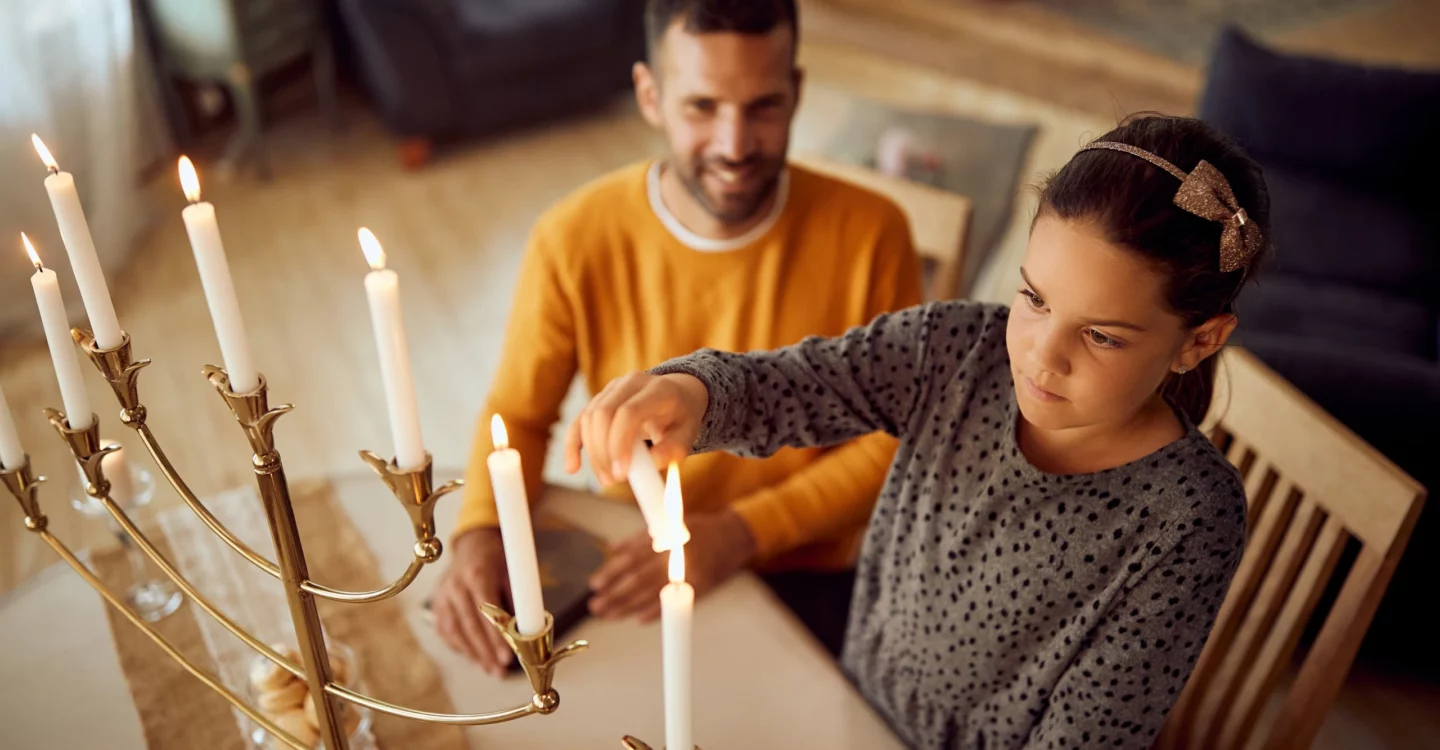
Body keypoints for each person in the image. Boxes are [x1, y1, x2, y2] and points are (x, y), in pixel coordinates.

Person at [565, 114, 1270, 749]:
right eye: (1032, 297)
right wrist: (690, 391)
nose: (1039, 355)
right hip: (846, 704)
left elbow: (1090, 733)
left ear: (1199, 342)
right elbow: (796, 385)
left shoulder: (1189, 516)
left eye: (1103, 337)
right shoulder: (955, 348)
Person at [432, 0, 924, 675]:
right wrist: (478, 528)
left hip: (807, 571)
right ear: (650, 95)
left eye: (764, 106)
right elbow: (519, 413)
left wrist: (743, 533)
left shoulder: (873, 233)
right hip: (633, 562)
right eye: (702, 107)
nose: (734, 143)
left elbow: (892, 440)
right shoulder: (572, 236)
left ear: (798, 92)